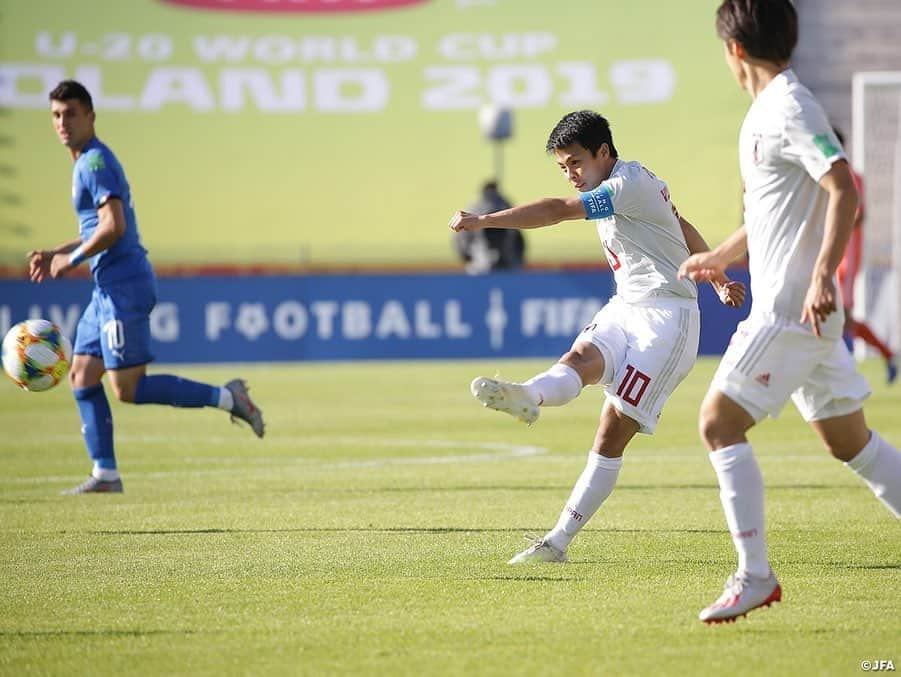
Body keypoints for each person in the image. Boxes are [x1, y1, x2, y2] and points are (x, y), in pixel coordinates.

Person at [678, 0, 901, 624]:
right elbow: (769, 215)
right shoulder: (764, 114)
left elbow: (843, 185)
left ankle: (754, 576)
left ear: (734, 50)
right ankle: (754, 574)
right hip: (800, 313)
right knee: (850, 445)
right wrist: (720, 254)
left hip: (789, 311)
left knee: (719, 423)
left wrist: (825, 272)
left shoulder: (790, 106)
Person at [449, 110, 746, 565]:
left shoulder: (625, 185)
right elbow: (678, 223)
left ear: (604, 152)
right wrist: (717, 274)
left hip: (668, 321)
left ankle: (557, 542)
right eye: (563, 168)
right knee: (581, 356)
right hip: (627, 306)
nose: (571, 175)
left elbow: (557, 212)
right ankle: (529, 395)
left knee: (610, 432)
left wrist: (484, 220)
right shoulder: (626, 184)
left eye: (576, 163)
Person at [28, 80, 265, 495]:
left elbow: (114, 226)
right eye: (56, 115)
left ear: (91, 117)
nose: (62, 122)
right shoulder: (83, 162)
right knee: (82, 375)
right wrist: (56, 252)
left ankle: (229, 397)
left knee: (128, 389)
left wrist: (73, 260)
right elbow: (96, 227)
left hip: (124, 288)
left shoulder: (94, 163)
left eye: (71, 114)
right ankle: (105, 474)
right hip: (106, 291)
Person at [832, 128, 897, 384]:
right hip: (832, 256)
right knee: (841, 319)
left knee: (836, 316)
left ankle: (837, 372)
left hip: (845, 257)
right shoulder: (828, 177)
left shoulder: (849, 177)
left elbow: (859, 213)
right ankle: (887, 355)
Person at [453, 181, 525, 274]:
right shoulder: (506, 206)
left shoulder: (475, 208)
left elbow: (461, 237)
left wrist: (466, 257)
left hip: (496, 258)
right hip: (489, 256)